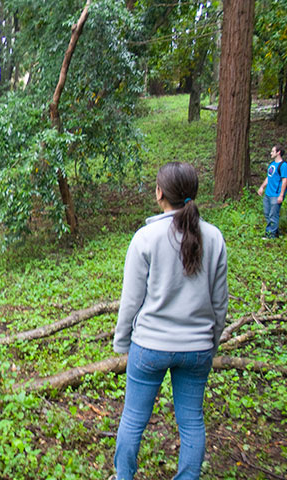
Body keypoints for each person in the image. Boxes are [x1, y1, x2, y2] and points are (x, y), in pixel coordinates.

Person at [112, 162, 228, 480]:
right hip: (198, 348)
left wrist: (122, 342)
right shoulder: (214, 238)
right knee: (192, 421)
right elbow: (220, 303)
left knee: (133, 418)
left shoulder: (145, 238)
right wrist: (212, 342)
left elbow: (131, 301)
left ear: (160, 193)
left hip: (149, 346)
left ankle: (124, 476)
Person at [257, 144, 287, 239]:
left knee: (273, 215)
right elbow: (268, 177)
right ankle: (275, 232)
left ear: (278, 152)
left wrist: (281, 195)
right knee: (267, 214)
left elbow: (284, 180)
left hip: (276, 194)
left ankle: (270, 235)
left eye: (273, 151)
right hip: (268, 194)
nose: (271, 153)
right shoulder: (272, 165)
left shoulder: (283, 165)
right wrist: (262, 187)